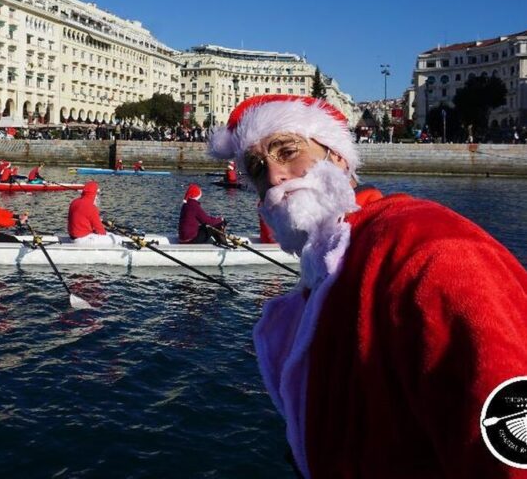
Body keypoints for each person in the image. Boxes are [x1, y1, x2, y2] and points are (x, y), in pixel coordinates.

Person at [210, 94, 527, 478]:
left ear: (338, 158)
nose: (274, 175)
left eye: (288, 151)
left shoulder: (428, 249)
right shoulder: (334, 264)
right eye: (258, 168)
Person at [68, 181, 122, 245]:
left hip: (72, 238)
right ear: (94, 194)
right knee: (117, 238)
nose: (97, 196)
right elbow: (101, 231)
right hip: (83, 240)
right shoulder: (91, 207)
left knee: (110, 234)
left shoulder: (74, 202)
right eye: (97, 193)